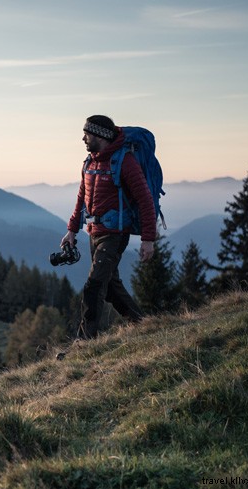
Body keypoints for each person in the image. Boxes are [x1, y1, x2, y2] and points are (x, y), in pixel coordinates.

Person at [61, 115, 156, 341]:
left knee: (94, 285)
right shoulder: (89, 162)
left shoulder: (125, 162)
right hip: (94, 233)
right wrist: (72, 230)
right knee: (111, 287)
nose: (83, 138)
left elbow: (145, 200)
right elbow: (81, 197)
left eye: (87, 134)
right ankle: (143, 324)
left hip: (114, 236)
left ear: (100, 135)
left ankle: (85, 341)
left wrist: (148, 239)